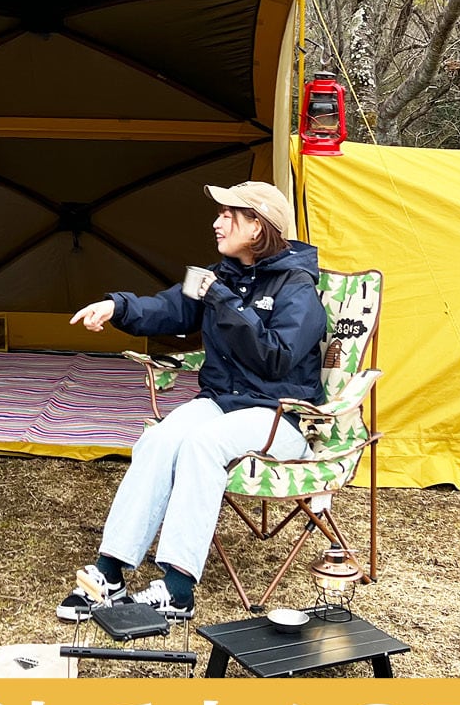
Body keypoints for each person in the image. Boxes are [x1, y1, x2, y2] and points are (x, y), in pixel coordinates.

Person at [60, 181, 325, 620]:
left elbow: (276, 358)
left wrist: (223, 300)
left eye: (228, 215)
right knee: (160, 439)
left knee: (203, 445)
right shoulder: (217, 275)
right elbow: (169, 309)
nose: (216, 223)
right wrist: (116, 307)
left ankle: (178, 590)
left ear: (257, 226)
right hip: (222, 402)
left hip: (280, 414)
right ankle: (111, 573)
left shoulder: (297, 287)